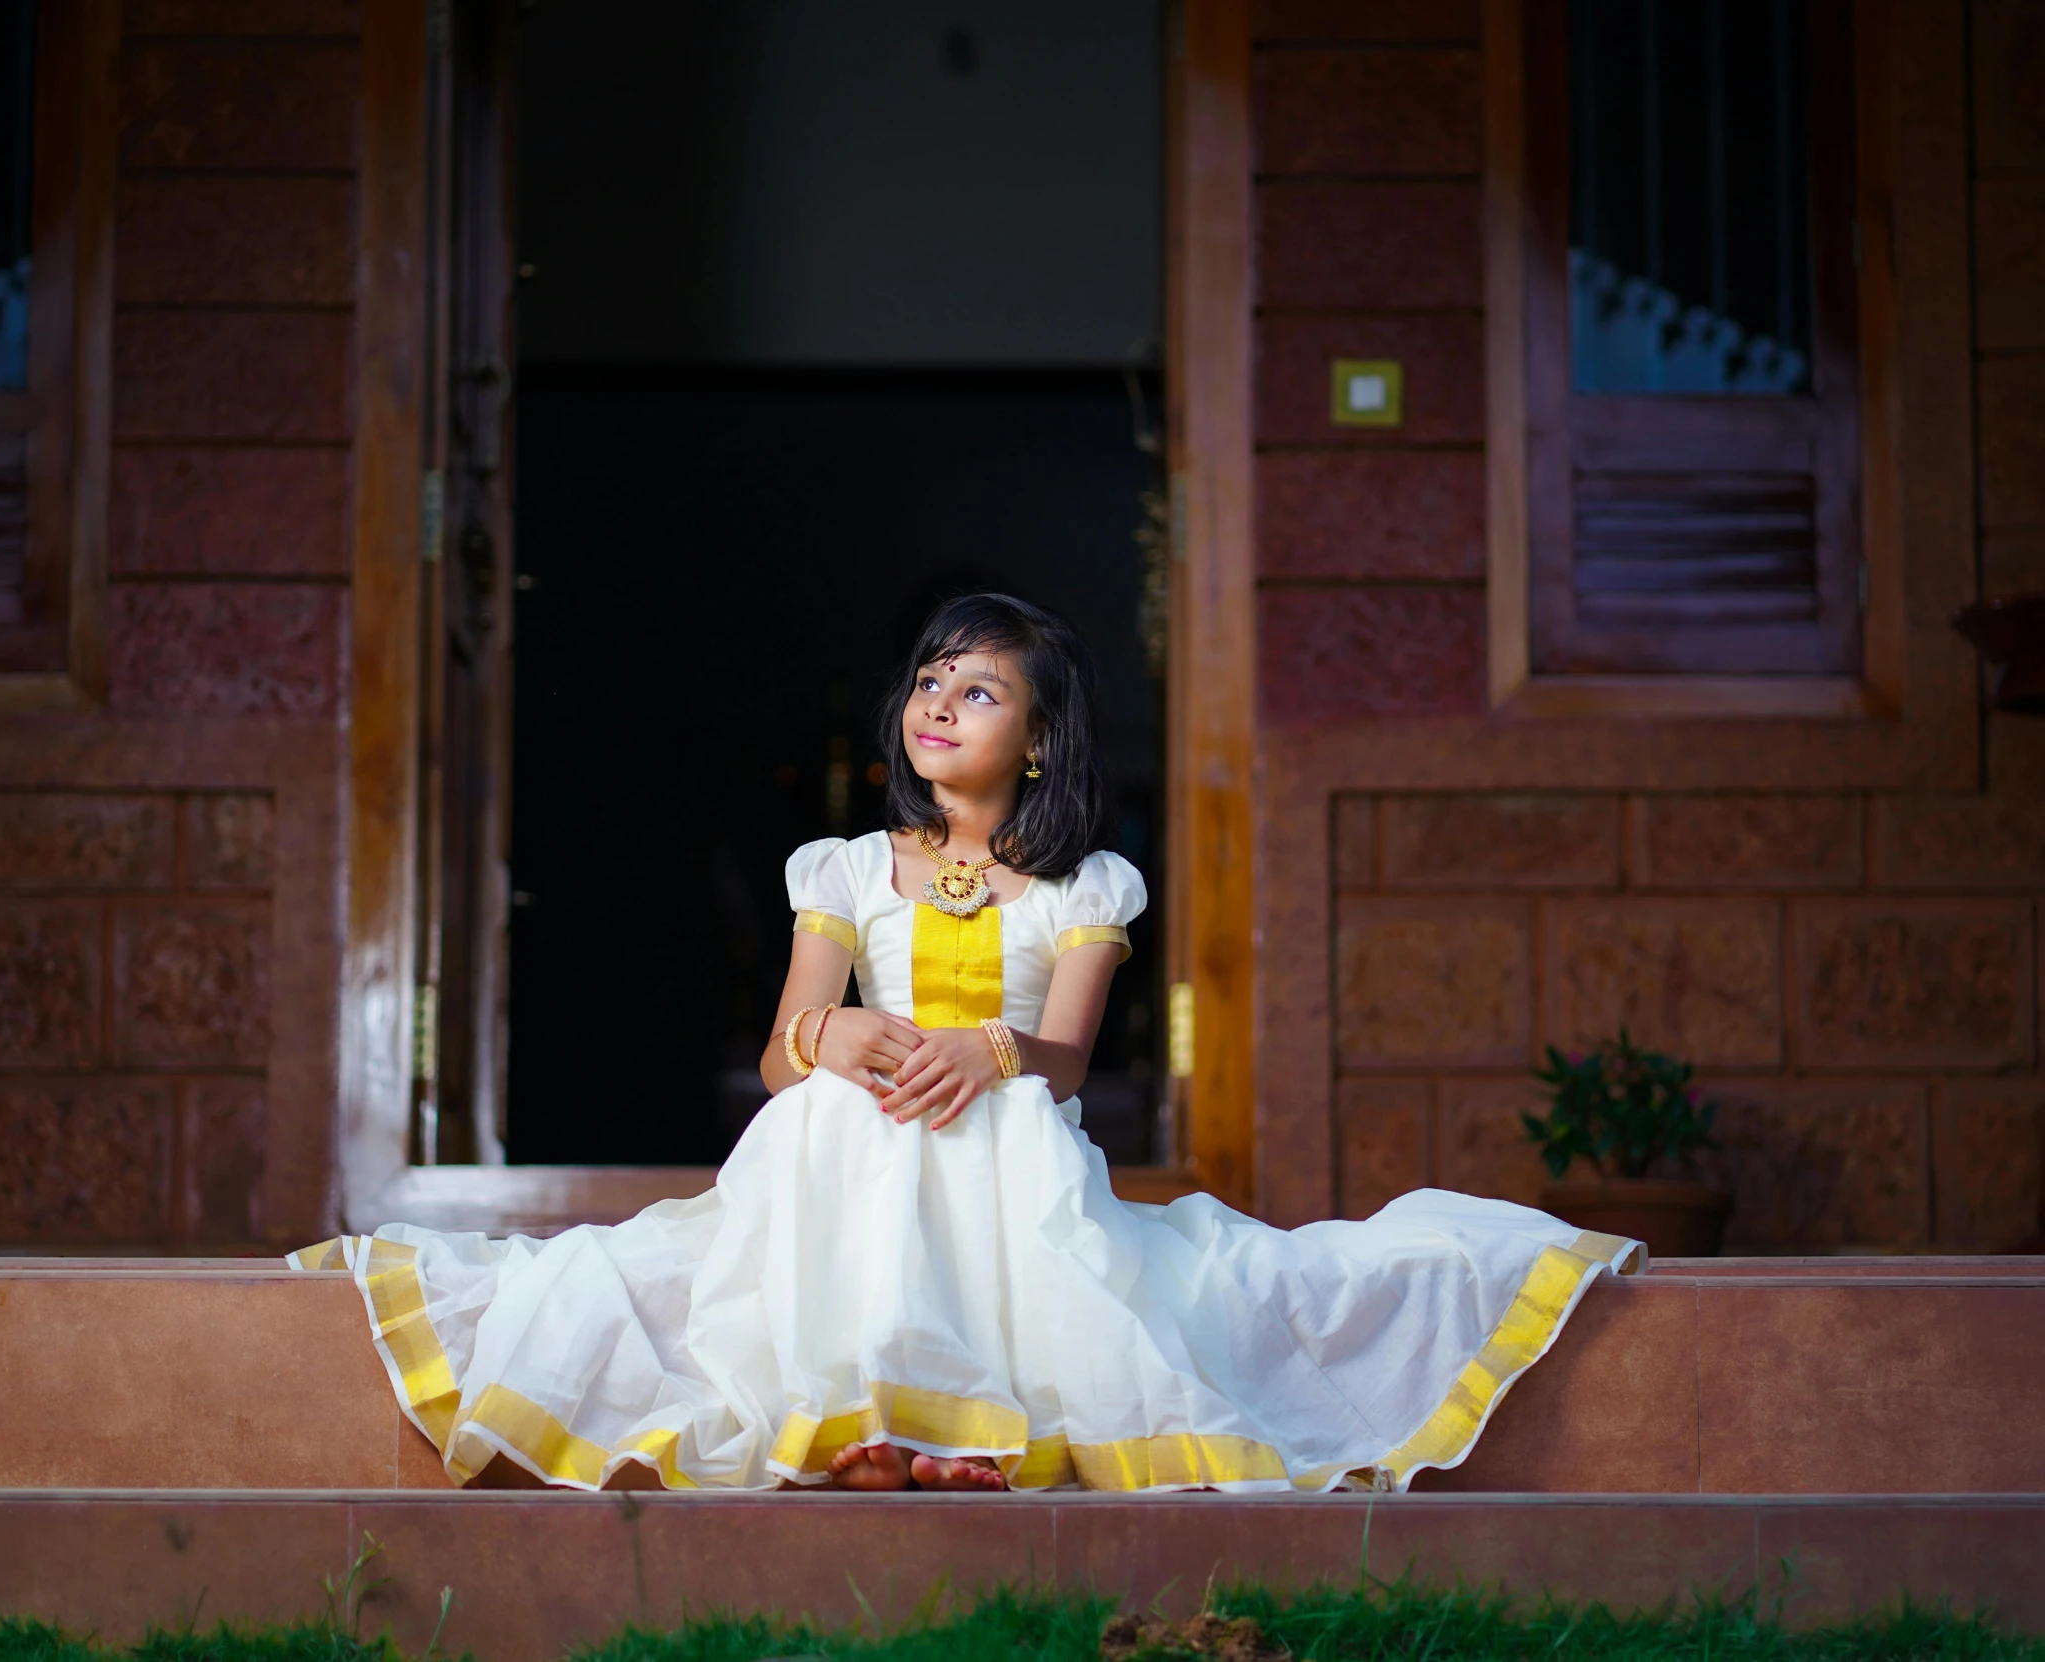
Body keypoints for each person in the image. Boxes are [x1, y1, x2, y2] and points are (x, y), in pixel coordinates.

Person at [293, 592, 1638, 1493]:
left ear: (1040, 742)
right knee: (832, 1109)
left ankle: (958, 1416)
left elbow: (1067, 1062)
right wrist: (843, 1030)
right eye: (930, 680)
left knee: (1002, 1125)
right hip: (848, 1149)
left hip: (1009, 1168)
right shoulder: (850, 870)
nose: (938, 703)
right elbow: (776, 1055)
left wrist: (992, 1051)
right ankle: (871, 1408)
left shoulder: (1083, 891)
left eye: (979, 692)